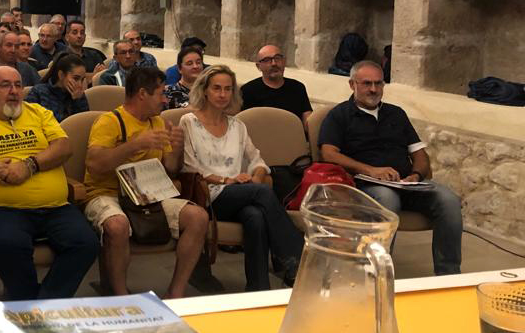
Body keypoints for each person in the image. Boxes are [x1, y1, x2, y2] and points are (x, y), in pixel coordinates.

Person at [0, 65, 99, 300]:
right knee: (9, 245)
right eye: (5, 85)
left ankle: (42, 303)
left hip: (55, 207)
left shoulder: (38, 113)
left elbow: (64, 147)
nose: (14, 91)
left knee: (86, 243)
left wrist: (30, 165)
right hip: (3, 210)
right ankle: (29, 303)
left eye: (18, 85)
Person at [319, 60, 463, 275]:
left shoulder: (396, 114)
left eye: (378, 83)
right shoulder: (339, 115)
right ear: (352, 85)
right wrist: (370, 170)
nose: (373, 89)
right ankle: (378, 275)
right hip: (366, 185)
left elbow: (420, 154)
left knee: (448, 200)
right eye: (367, 83)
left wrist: (416, 175)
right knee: (387, 199)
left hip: (406, 184)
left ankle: (448, 275)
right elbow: (328, 154)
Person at [84, 66, 208, 298]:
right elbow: (94, 165)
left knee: (198, 217)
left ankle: (176, 293)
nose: (165, 100)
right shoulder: (109, 121)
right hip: (107, 193)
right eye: (160, 94)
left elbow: (170, 169)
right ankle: (121, 296)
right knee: (117, 225)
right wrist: (135, 145)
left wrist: (177, 149)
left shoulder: (158, 122)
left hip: (148, 195)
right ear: (142, 94)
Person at [181, 65, 303, 291]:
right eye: (217, 88)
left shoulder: (237, 125)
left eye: (228, 89)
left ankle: (258, 288)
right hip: (208, 196)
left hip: (241, 194)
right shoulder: (189, 122)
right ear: (204, 90)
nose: (222, 94)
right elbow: (190, 167)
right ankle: (296, 260)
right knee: (262, 192)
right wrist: (227, 181)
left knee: (255, 216)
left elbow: (257, 160)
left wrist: (256, 177)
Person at [240, 44, 312, 129]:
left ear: (284, 61)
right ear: (258, 66)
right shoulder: (248, 91)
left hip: (293, 135)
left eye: (277, 58)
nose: (274, 63)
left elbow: (307, 121)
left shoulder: (298, 88)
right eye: (267, 60)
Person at [25, 53, 89, 122]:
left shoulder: (79, 95)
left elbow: (83, 123)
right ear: (61, 75)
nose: (80, 84)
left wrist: (77, 101)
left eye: (82, 79)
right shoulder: (38, 92)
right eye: (76, 78)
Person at [164, 44, 205, 109]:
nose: (195, 66)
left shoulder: (208, 91)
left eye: (198, 62)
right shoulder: (168, 92)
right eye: (189, 63)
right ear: (179, 69)